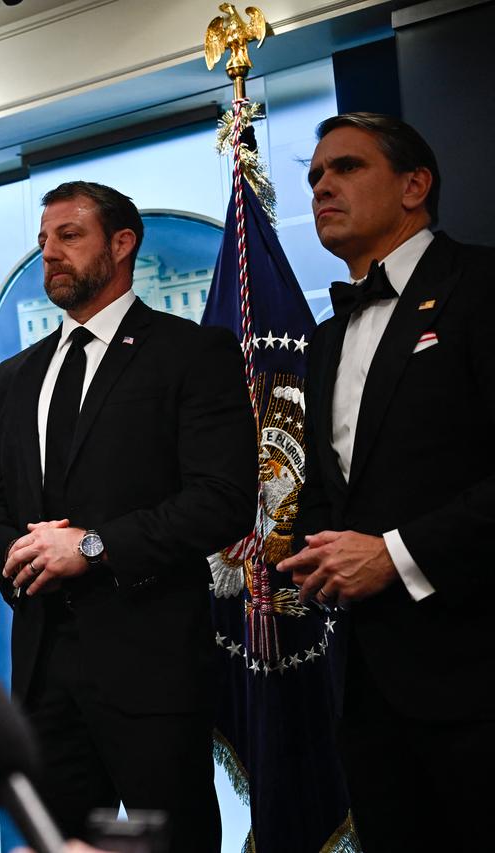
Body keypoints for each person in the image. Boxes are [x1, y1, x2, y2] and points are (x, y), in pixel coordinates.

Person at [0, 181, 257, 852]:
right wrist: (26, 557)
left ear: (122, 244)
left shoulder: (191, 353)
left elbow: (222, 498)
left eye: (69, 236)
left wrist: (91, 549)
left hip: (151, 670)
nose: (50, 255)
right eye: (42, 241)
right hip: (41, 674)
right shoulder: (13, 376)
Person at [278, 113, 495, 853]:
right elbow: (330, 490)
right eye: (313, 177)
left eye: (345, 168)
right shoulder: (326, 336)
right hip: (367, 685)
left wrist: (396, 554)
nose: (321, 187)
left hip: (478, 674)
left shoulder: (483, 285)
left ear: (414, 185)